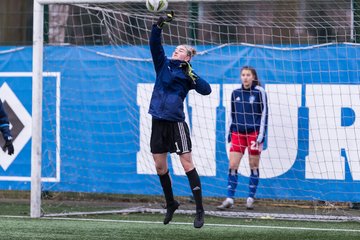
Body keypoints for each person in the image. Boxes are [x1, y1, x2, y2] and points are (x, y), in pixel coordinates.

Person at [148, 11, 211, 228]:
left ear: (188, 57)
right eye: (175, 49)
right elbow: (155, 44)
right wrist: (159, 24)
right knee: (159, 167)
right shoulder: (163, 65)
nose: (176, 51)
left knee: (186, 163)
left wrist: (192, 74)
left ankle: (200, 210)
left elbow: (207, 90)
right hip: (158, 121)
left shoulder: (187, 75)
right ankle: (171, 202)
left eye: (181, 50)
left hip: (176, 123)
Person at [217, 66, 268, 210]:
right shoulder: (235, 93)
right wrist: (229, 133)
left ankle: (250, 197)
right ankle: (229, 198)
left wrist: (261, 135)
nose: (245, 77)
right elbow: (231, 114)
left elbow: (264, 113)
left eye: (248, 75)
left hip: (253, 134)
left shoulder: (260, 92)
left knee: (253, 165)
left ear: (253, 77)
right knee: (232, 166)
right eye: (243, 75)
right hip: (237, 133)